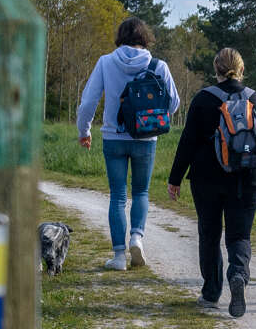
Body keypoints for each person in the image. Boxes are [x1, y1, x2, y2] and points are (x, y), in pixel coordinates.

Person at [165, 48, 256, 318]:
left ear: (216, 70)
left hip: (207, 179)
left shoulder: (203, 100)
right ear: (241, 69)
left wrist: (175, 178)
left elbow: (187, 142)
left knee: (210, 234)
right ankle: (238, 275)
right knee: (239, 236)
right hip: (248, 179)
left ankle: (211, 293)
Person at [77, 16, 181, 270]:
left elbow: (89, 101)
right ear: (144, 38)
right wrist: (153, 115)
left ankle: (119, 257)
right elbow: (174, 103)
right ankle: (137, 237)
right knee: (141, 192)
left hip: (114, 137)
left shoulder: (106, 62)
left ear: (120, 37)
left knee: (118, 196)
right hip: (146, 138)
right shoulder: (158, 65)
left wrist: (84, 130)